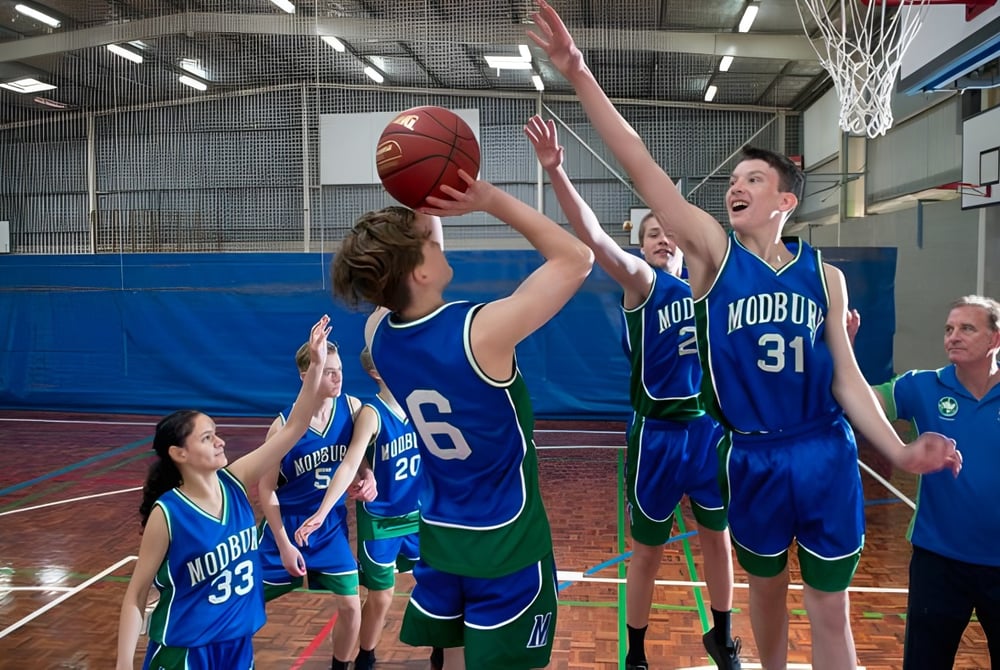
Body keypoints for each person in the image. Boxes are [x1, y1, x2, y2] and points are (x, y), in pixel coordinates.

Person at [526, 3, 963, 668]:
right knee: (766, 600)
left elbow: (845, 377)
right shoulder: (709, 255)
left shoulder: (826, 275)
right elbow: (640, 163)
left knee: (831, 612)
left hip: (822, 449)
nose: (736, 186)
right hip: (750, 454)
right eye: (732, 181)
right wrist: (579, 73)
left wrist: (899, 454)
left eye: (752, 179)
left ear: (784, 200)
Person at [331, 178, 594, 669]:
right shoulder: (482, 332)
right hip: (507, 539)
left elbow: (404, 276)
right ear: (419, 272)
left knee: (452, 661)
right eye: (431, 242)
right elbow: (576, 257)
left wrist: (419, 204)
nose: (438, 239)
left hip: (442, 532)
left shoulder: (379, 336)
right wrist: (488, 199)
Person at [523, 114, 739, 670]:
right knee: (646, 552)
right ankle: (636, 653)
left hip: (709, 431)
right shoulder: (644, 284)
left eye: (670, 228)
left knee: (719, 541)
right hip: (659, 436)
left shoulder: (718, 290)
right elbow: (593, 238)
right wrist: (556, 173)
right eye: (651, 232)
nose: (664, 236)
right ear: (641, 246)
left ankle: (723, 636)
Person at [116, 315, 331, 670]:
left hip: (237, 644)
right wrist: (124, 664)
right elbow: (137, 594)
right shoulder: (168, 513)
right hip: (186, 651)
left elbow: (295, 426)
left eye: (216, 432)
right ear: (179, 453)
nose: (220, 441)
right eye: (207, 438)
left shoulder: (235, 480)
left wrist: (316, 365)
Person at [869, 295, 1000, 669]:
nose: (953, 336)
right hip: (938, 562)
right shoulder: (923, 387)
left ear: (995, 339)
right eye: (948, 329)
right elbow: (863, 402)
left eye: (966, 328)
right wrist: (841, 345)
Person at [295, 346, 427, 670]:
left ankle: (443, 647)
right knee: (381, 596)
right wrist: (324, 511)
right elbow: (350, 460)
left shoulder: (422, 403)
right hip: (381, 520)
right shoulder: (371, 413)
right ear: (377, 372)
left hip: (420, 514)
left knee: (439, 582)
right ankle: (365, 656)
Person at [256, 338, 374, 670]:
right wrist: (283, 545)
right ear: (306, 374)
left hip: (329, 527)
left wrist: (368, 474)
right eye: (328, 372)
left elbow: (357, 456)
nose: (338, 378)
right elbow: (266, 491)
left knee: (352, 606)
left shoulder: (351, 408)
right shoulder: (283, 426)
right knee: (242, 603)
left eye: (340, 371)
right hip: (287, 526)